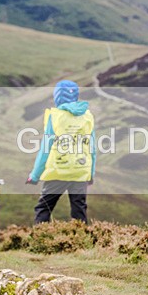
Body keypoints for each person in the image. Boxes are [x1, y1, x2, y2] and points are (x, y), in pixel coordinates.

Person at [26, 80, 96, 224]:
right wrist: (90, 174)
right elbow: (92, 149)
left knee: (43, 208)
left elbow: (45, 149)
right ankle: (81, 243)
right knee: (79, 211)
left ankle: (40, 241)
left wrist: (35, 175)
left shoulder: (55, 117)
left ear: (57, 96)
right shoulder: (87, 116)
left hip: (57, 171)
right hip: (80, 171)